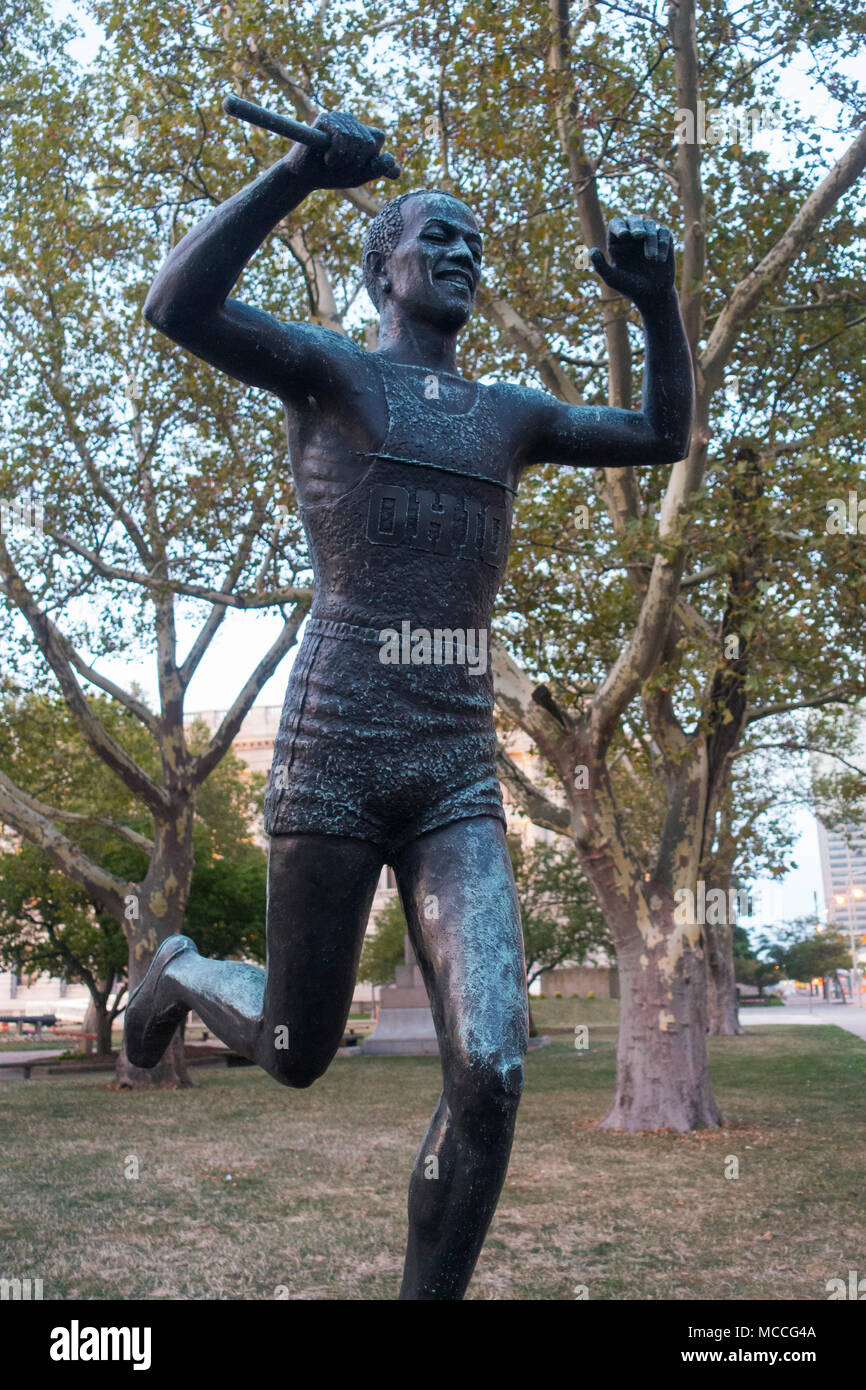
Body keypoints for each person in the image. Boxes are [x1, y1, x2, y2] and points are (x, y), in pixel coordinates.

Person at [126, 109, 694, 1299]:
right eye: (437, 237)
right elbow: (176, 305)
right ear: (381, 261)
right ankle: (180, 969)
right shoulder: (330, 372)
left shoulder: (510, 416)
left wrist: (652, 304)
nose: (460, 256)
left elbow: (657, 430)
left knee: (490, 1067)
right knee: (294, 1050)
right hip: (333, 743)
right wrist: (297, 171)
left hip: (451, 767)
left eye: (474, 246)